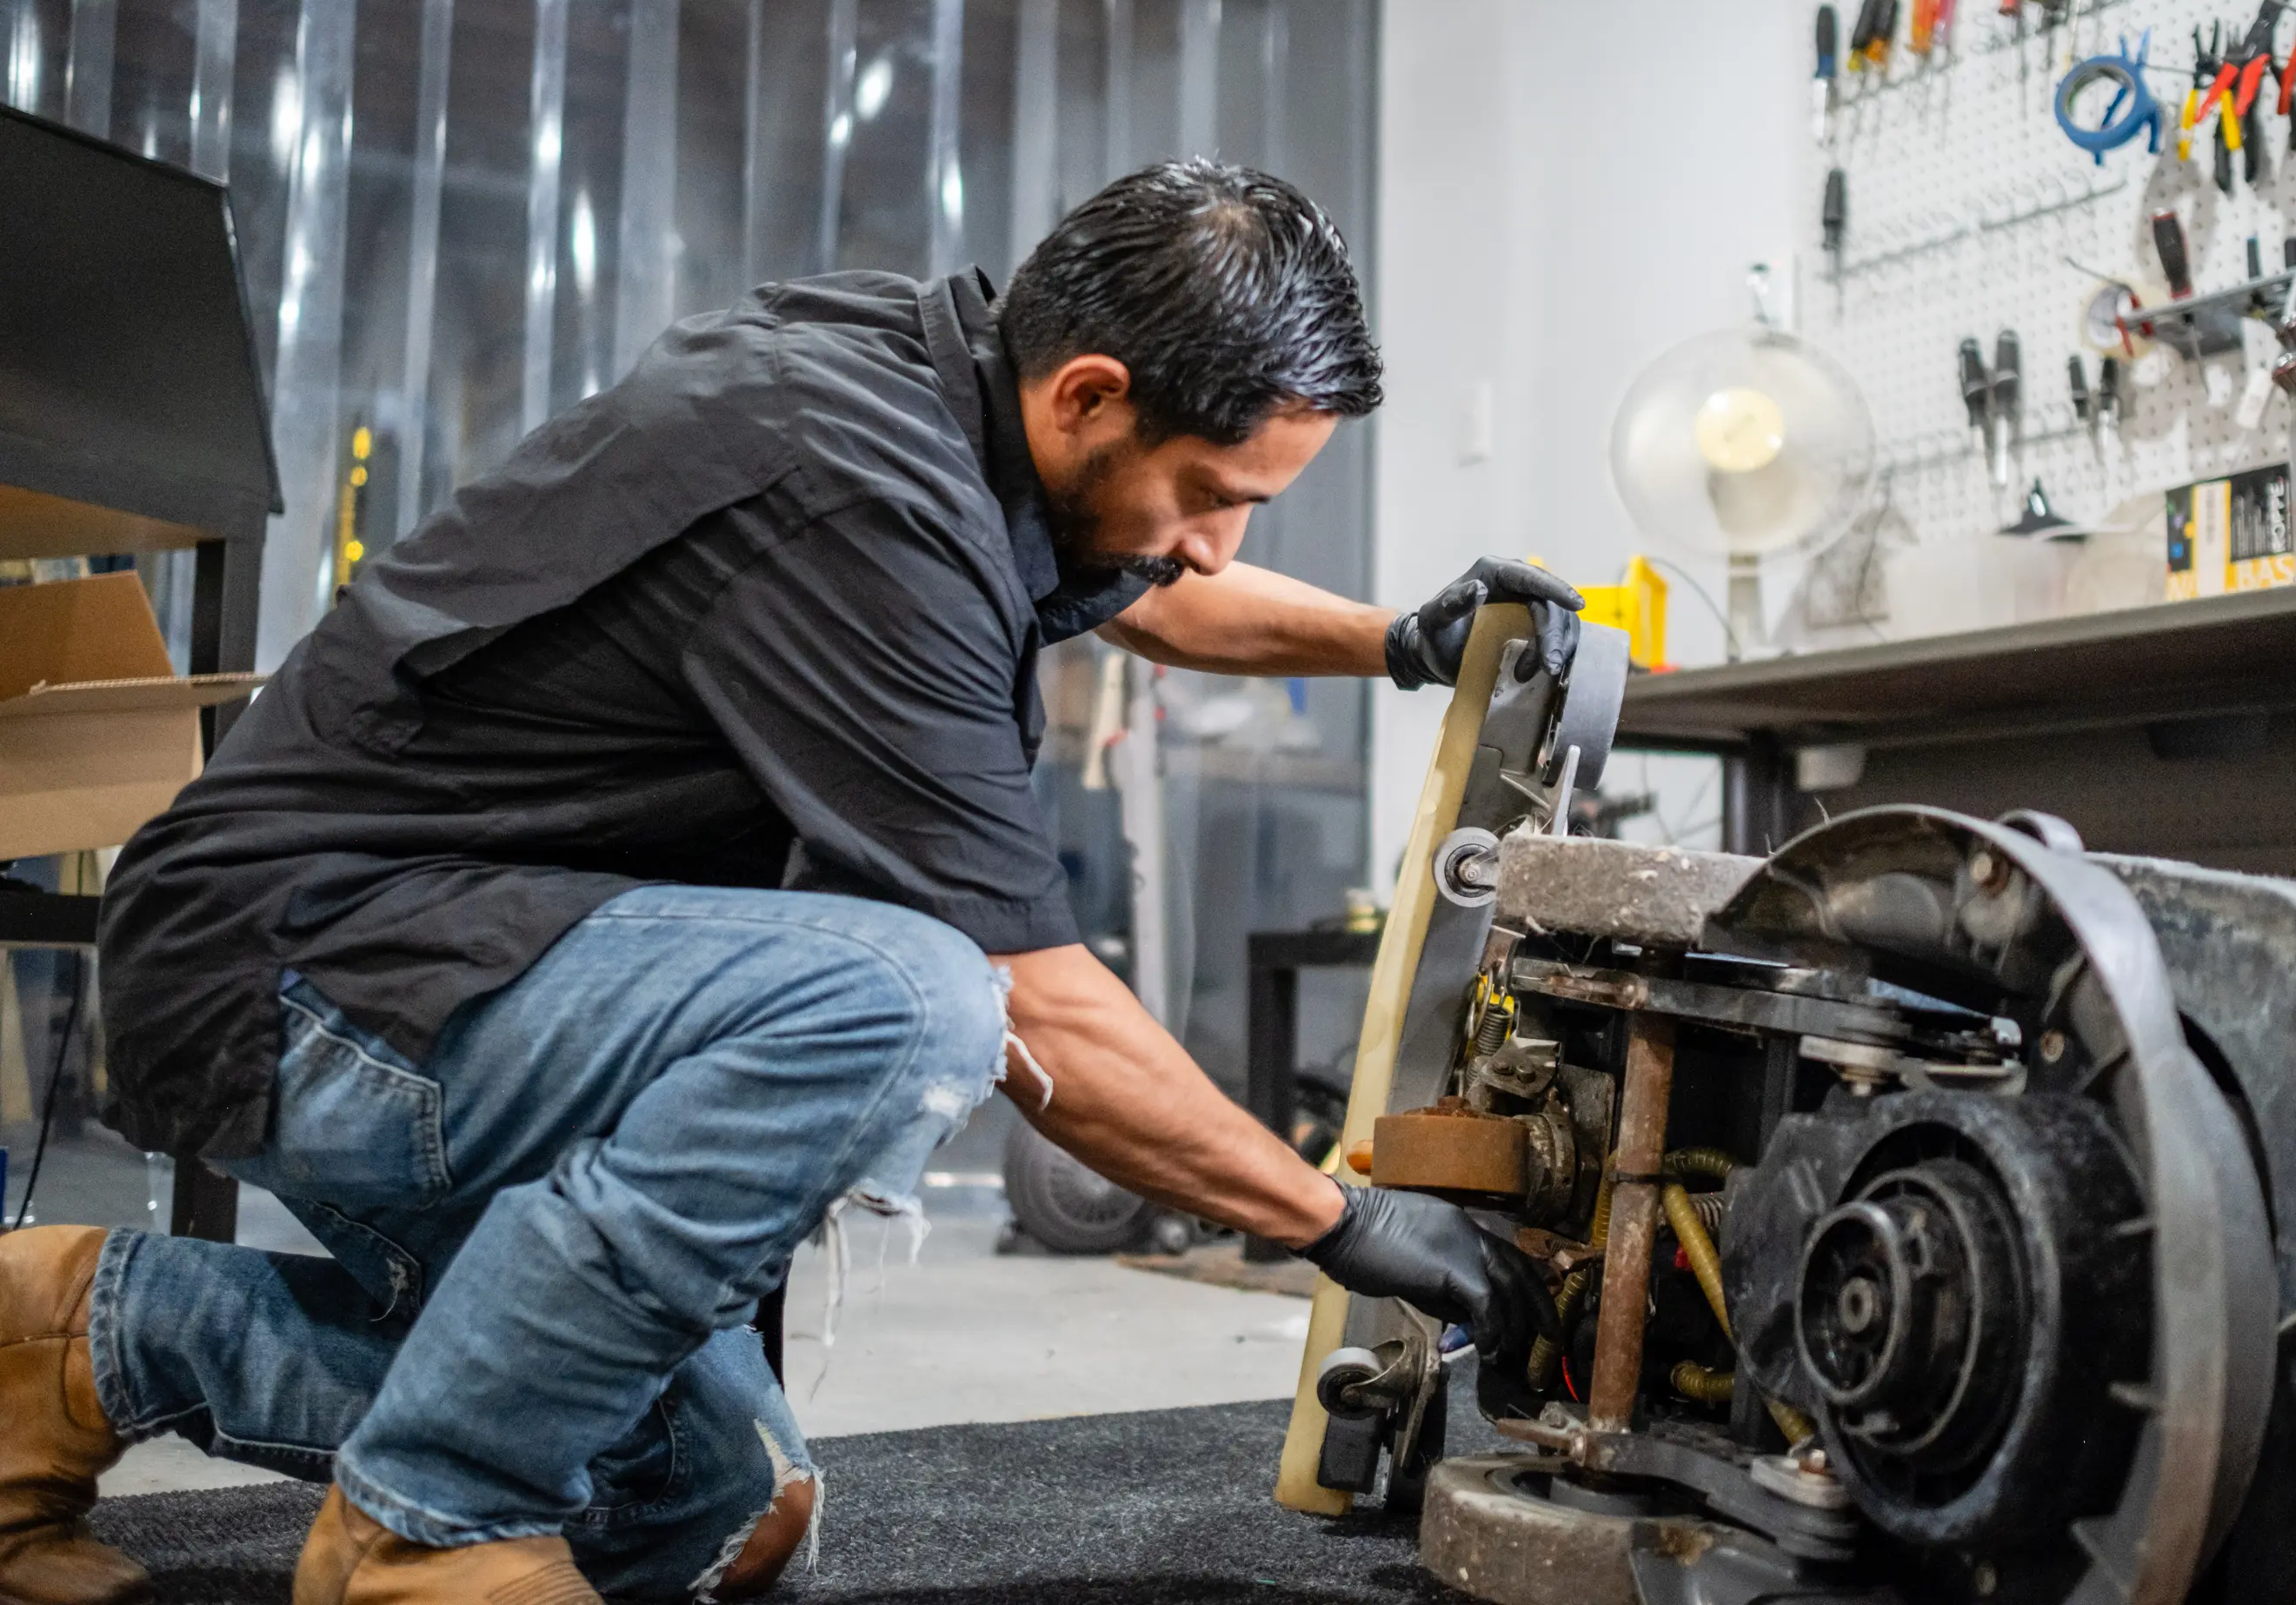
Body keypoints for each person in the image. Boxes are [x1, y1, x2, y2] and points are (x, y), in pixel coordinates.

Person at [0, 160, 1581, 1605]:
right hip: (299, 969)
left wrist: (1392, 641)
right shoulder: (855, 488)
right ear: (1092, 394)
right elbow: (1043, 1017)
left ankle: (76, 1337)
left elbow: (1134, 581)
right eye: (1218, 493)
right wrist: (1342, 1223)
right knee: (906, 1000)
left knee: (707, 1503)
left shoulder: (964, 382)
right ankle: (437, 1518)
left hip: (461, 957)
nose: (1225, 548)